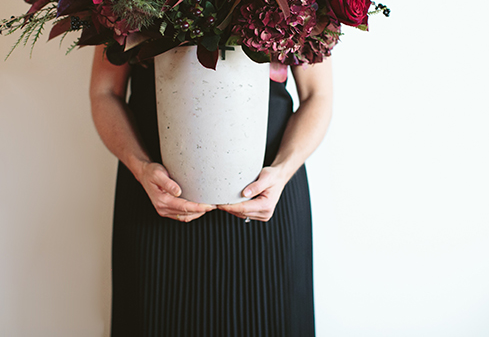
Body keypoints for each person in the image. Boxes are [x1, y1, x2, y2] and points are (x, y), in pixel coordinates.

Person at [89, 45, 333, 337]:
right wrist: (140, 167)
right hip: (155, 196)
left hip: (266, 197)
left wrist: (282, 171)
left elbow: (318, 95)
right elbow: (105, 91)